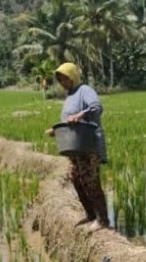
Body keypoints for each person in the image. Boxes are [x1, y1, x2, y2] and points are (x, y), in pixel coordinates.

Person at [45, 62, 110, 230]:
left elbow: (97, 107)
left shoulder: (84, 91)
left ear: (72, 76)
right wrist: (56, 130)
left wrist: (80, 114)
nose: (62, 83)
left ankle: (103, 220)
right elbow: (69, 121)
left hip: (88, 146)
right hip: (76, 148)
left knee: (91, 181)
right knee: (77, 180)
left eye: (64, 79)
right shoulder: (70, 96)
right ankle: (90, 215)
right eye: (60, 80)